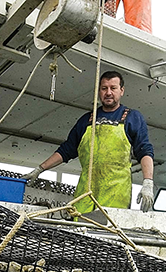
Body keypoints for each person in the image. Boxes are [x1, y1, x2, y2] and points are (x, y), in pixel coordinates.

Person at [23, 71, 154, 213]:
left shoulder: (132, 117)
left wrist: (147, 182)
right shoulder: (86, 120)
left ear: (121, 91)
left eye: (113, 88)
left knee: (106, 230)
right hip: (85, 194)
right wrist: (39, 169)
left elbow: (144, 151)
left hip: (115, 194)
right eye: (104, 88)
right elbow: (66, 150)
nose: (108, 92)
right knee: (78, 228)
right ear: (99, 91)